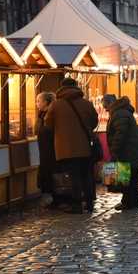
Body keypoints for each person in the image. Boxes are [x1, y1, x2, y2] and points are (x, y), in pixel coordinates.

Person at [45, 78, 99, 213]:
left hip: (65, 148)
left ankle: (76, 205)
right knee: (86, 174)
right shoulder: (86, 103)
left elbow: (48, 124)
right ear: (76, 87)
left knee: (73, 176)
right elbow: (94, 122)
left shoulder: (56, 105)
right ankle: (89, 202)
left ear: (61, 88)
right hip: (85, 147)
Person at [105, 95, 138, 210]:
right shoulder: (121, 112)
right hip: (130, 150)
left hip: (128, 150)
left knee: (129, 178)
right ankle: (131, 201)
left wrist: (115, 149)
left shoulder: (119, 114)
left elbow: (120, 134)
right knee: (131, 177)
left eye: (106, 107)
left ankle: (130, 202)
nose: (105, 109)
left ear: (110, 104)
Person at [36, 92, 57, 207]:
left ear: (46, 102)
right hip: (44, 148)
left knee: (51, 173)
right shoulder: (42, 114)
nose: (36, 104)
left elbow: (49, 131)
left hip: (50, 148)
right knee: (47, 172)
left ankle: (54, 198)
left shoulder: (50, 114)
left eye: (38, 101)